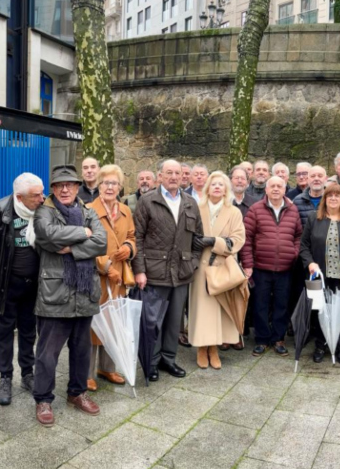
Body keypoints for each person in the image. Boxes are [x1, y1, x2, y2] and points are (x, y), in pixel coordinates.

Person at [31, 164, 108, 426]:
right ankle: (43, 399)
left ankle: (77, 392)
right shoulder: (44, 211)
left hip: (84, 292)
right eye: (59, 185)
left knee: (81, 350)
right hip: (55, 293)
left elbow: (102, 242)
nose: (65, 189)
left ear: (77, 187)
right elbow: (48, 234)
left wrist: (72, 249)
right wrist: (83, 233)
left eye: (70, 185)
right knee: (47, 354)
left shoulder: (88, 211)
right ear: (52, 188)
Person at [133, 159, 203, 380]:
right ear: (160, 176)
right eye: (169, 173)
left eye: (177, 173)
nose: (173, 177)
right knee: (154, 321)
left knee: (174, 321)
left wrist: (193, 263)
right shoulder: (147, 201)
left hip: (181, 272)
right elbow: (137, 238)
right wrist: (139, 270)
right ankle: (152, 362)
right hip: (155, 272)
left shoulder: (190, 203)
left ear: (183, 176)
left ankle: (169, 359)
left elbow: (198, 239)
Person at [0, 173, 45, 405]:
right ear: (19, 197)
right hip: (6, 285)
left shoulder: (43, 210)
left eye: (42, 193)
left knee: (29, 331)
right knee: (3, 333)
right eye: (36, 195)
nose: (42, 198)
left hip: (34, 285)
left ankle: (27, 373)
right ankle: (5, 377)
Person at [300, 183, 340, 363]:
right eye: (330, 195)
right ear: (325, 199)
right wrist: (310, 263)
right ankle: (321, 345)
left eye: (337, 195)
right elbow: (304, 245)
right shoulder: (314, 219)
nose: (334, 198)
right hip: (320, 276)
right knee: (321, 311)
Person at [188, 171, 246, 369]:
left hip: (222, 266)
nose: (217, 187)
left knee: (219, 311)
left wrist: (214, 241)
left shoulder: (234, 212)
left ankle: (213, 348)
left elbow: (238, 239)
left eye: (221, 184)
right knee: (202, 310)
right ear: (207, 188)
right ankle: (201, 348)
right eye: (214, 184)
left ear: (226, 189)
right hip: (200, 267)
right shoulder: (197, 208)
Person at [241, 176, 303, 356]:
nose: (276, 189)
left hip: (285, 268)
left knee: (281, 305)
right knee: (260, 305)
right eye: (272, 186)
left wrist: (294, 253)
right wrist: (248, 264)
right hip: (261, 268)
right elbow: (246, 239)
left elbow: (298, 235)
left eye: (279, 186)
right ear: (266, 190)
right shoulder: (255, 209)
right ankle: (261, 339)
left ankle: (278, 339)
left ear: (285, 190)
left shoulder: (292, 209)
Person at [86, 165, 134, 391]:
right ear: (98, 185)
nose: (110, 187)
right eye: (106, 183)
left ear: (120, 187)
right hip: (96, 277)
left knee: (114, 322)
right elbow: (85, 244)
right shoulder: (88, 210)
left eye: (114, 183)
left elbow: (132, 236)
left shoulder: (125, 210)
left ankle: (107, 368)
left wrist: (128, 248)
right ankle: (86, 373)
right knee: (93, 325)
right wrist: (106, 266)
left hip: (118, 279)